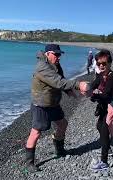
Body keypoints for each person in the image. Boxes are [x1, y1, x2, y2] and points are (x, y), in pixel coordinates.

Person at [25, 44, 89, 172]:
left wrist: (70, 92)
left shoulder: (56, 65)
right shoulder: (42, 67)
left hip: (53, 103)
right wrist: (78, 84)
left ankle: (59, 147)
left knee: (63, 124)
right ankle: (29, 163)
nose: (59, 57)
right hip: (41, 105)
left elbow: (61, 79)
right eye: (56, 54)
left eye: (60, 55)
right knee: (36, 132)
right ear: (48, 53)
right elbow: (58, 82)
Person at [89, 49, 113, 170]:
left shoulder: (112, 77)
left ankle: (104, 161)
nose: (101, 65)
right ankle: (107, 147)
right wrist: (88, 90)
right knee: (99, 126)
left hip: (111, 106)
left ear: (110, 63)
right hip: (104, 105)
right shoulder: (100, 75)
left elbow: (106, 94)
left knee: (103, 129)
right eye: (99, 63)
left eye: (104, 63)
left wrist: (94, 94)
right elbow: (93, 85)